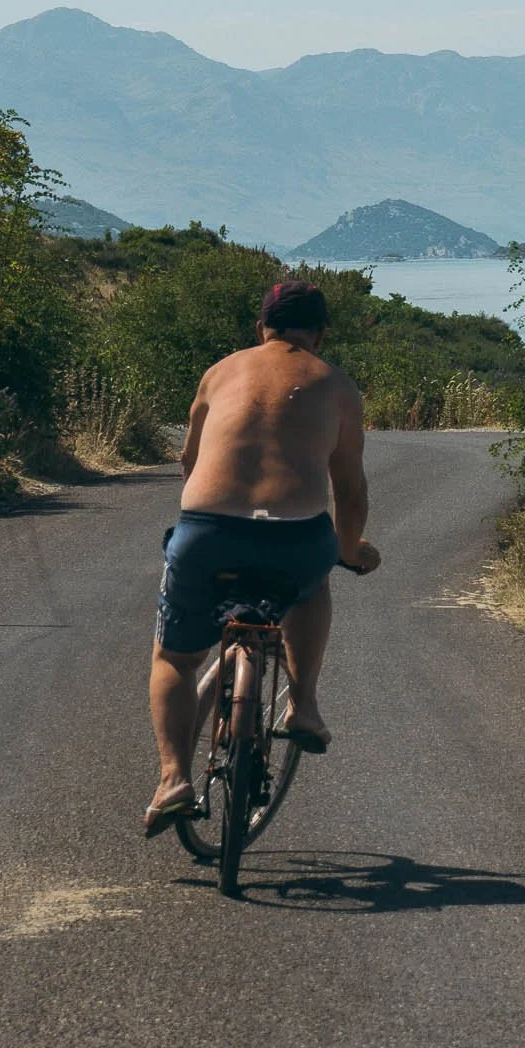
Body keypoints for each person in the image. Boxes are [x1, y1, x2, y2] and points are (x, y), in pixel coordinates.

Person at [144, 279, 382, 835]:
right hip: (295, 539)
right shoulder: (337, 385)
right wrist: (350, 549)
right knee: (313, 581)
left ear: (261, 328)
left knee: (176, 660)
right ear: (321, 335)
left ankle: (173, 779)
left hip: (208, 532)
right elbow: (350, 491)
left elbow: (189, 462)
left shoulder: (220, 372)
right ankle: (303, 706)